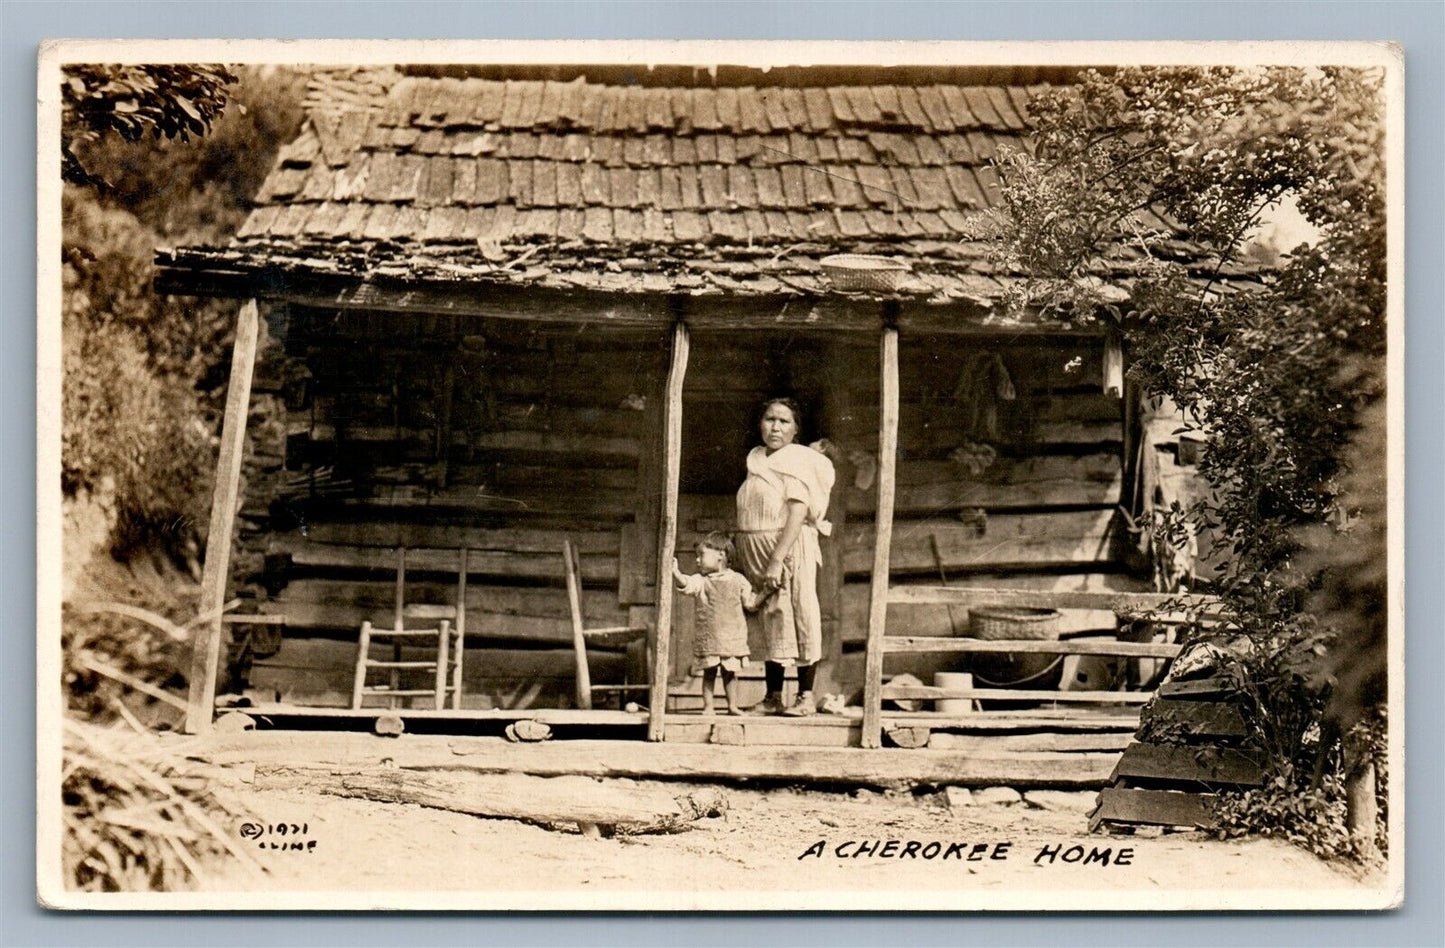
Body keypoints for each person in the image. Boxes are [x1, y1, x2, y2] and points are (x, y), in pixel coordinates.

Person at [734, 397, 836, 716]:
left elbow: (798, 510)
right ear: (760, 424)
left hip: (789, 548)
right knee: (773, 619)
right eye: (770, 419)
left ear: (795, 430)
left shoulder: (796, 460)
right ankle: (773, 697)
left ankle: (805, 696)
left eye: (784, 421)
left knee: (801, 613)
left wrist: (777, 558)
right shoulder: (757, 459)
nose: (775, 427)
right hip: (761, 552)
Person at [671, 532, 766, 716]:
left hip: (731, 639)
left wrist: (766, 592)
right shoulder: (701, 581)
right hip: (710, 640)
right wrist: (676, 573)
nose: (697, 560)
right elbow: (687, 584)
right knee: (709, 673)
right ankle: (708, 707)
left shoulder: (738, 580)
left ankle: (732, 706)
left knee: (730, 674)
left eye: (702, 555)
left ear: (721, 555)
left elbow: (750, 603)